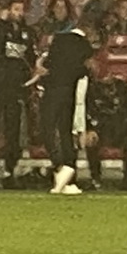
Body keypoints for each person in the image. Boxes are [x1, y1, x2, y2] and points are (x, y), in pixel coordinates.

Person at [0, 0, 36, 187]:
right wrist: (2, 24)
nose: (18, 13)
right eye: (15, 9)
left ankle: (9, 168)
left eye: (21, 10)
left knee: (13, 128)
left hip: (16, 86)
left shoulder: (27, 33)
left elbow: (30, 58)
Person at [38, 19, 96, 195]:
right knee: (65, 131)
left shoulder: (58, 40)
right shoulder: (85, 47)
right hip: (70, 92)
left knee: (47, 127)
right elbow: (84, 69)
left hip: (53, 88)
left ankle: (59, 165)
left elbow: (48, 64)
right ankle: (70, 176)